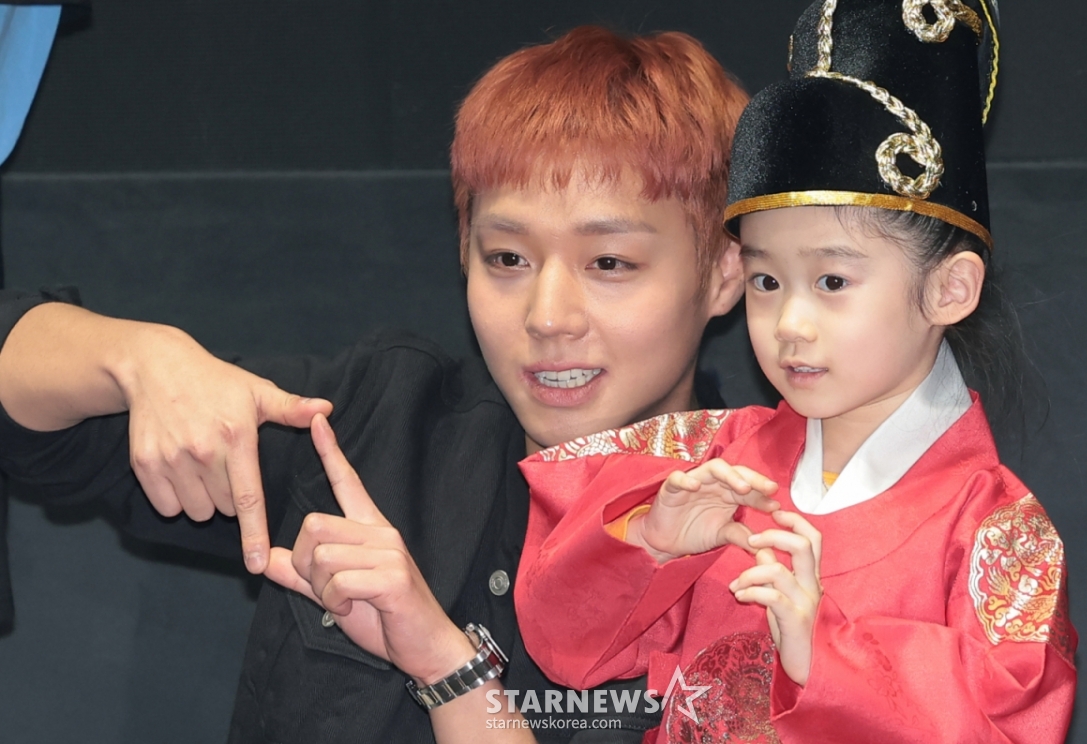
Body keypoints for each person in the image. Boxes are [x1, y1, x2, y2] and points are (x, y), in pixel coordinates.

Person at [0, 27, 748, 743]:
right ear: (463, 251)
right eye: (507, 259)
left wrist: (448, 665)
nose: (548, 317)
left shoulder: (770, 531)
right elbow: (41, 421)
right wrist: (139, 358)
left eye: (609, 264)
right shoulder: (375, 421)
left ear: (724, 274)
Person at [515, 2, 1077, 742]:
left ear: (951, 289)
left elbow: (1013, 723)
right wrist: (650, 542)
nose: (789, 325)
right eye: (766, 281)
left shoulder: (997, 533)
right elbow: (568, 652)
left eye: (833, 282)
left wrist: (826, 653)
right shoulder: (709, 464)